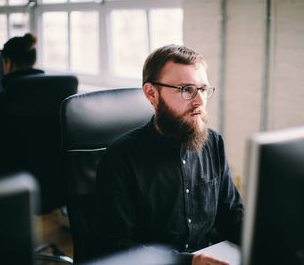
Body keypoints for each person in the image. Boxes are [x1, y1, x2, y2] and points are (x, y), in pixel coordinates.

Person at [96, 44, 244, 265]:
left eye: (203, 89)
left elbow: (232, 215)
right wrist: (187, 262)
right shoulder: (120, 158)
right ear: (151, 93)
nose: (199, 101)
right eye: (186, 89)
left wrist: (270, 242)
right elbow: (116, 246)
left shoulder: (213, 143)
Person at [0, 33, 44, 174]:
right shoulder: (58, 96)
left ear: (8, 63)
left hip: (11, 182)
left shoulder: (1, 102)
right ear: (33, 63)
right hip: (54, 180)